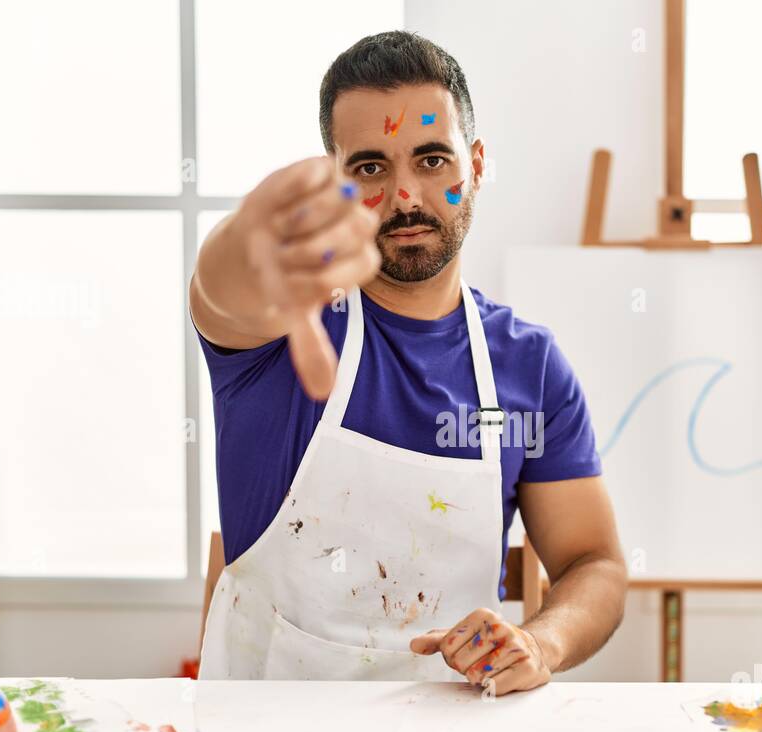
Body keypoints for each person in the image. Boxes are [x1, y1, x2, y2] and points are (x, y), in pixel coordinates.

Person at [191, 31, 626, 694]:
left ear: (475, 165)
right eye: (369, 168)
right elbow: (221, 291)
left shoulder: (529, 369)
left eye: (431, 160)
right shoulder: (284, 326)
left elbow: (593, 563)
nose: (404, 197)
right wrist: (248, 237)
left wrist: (541, 643)